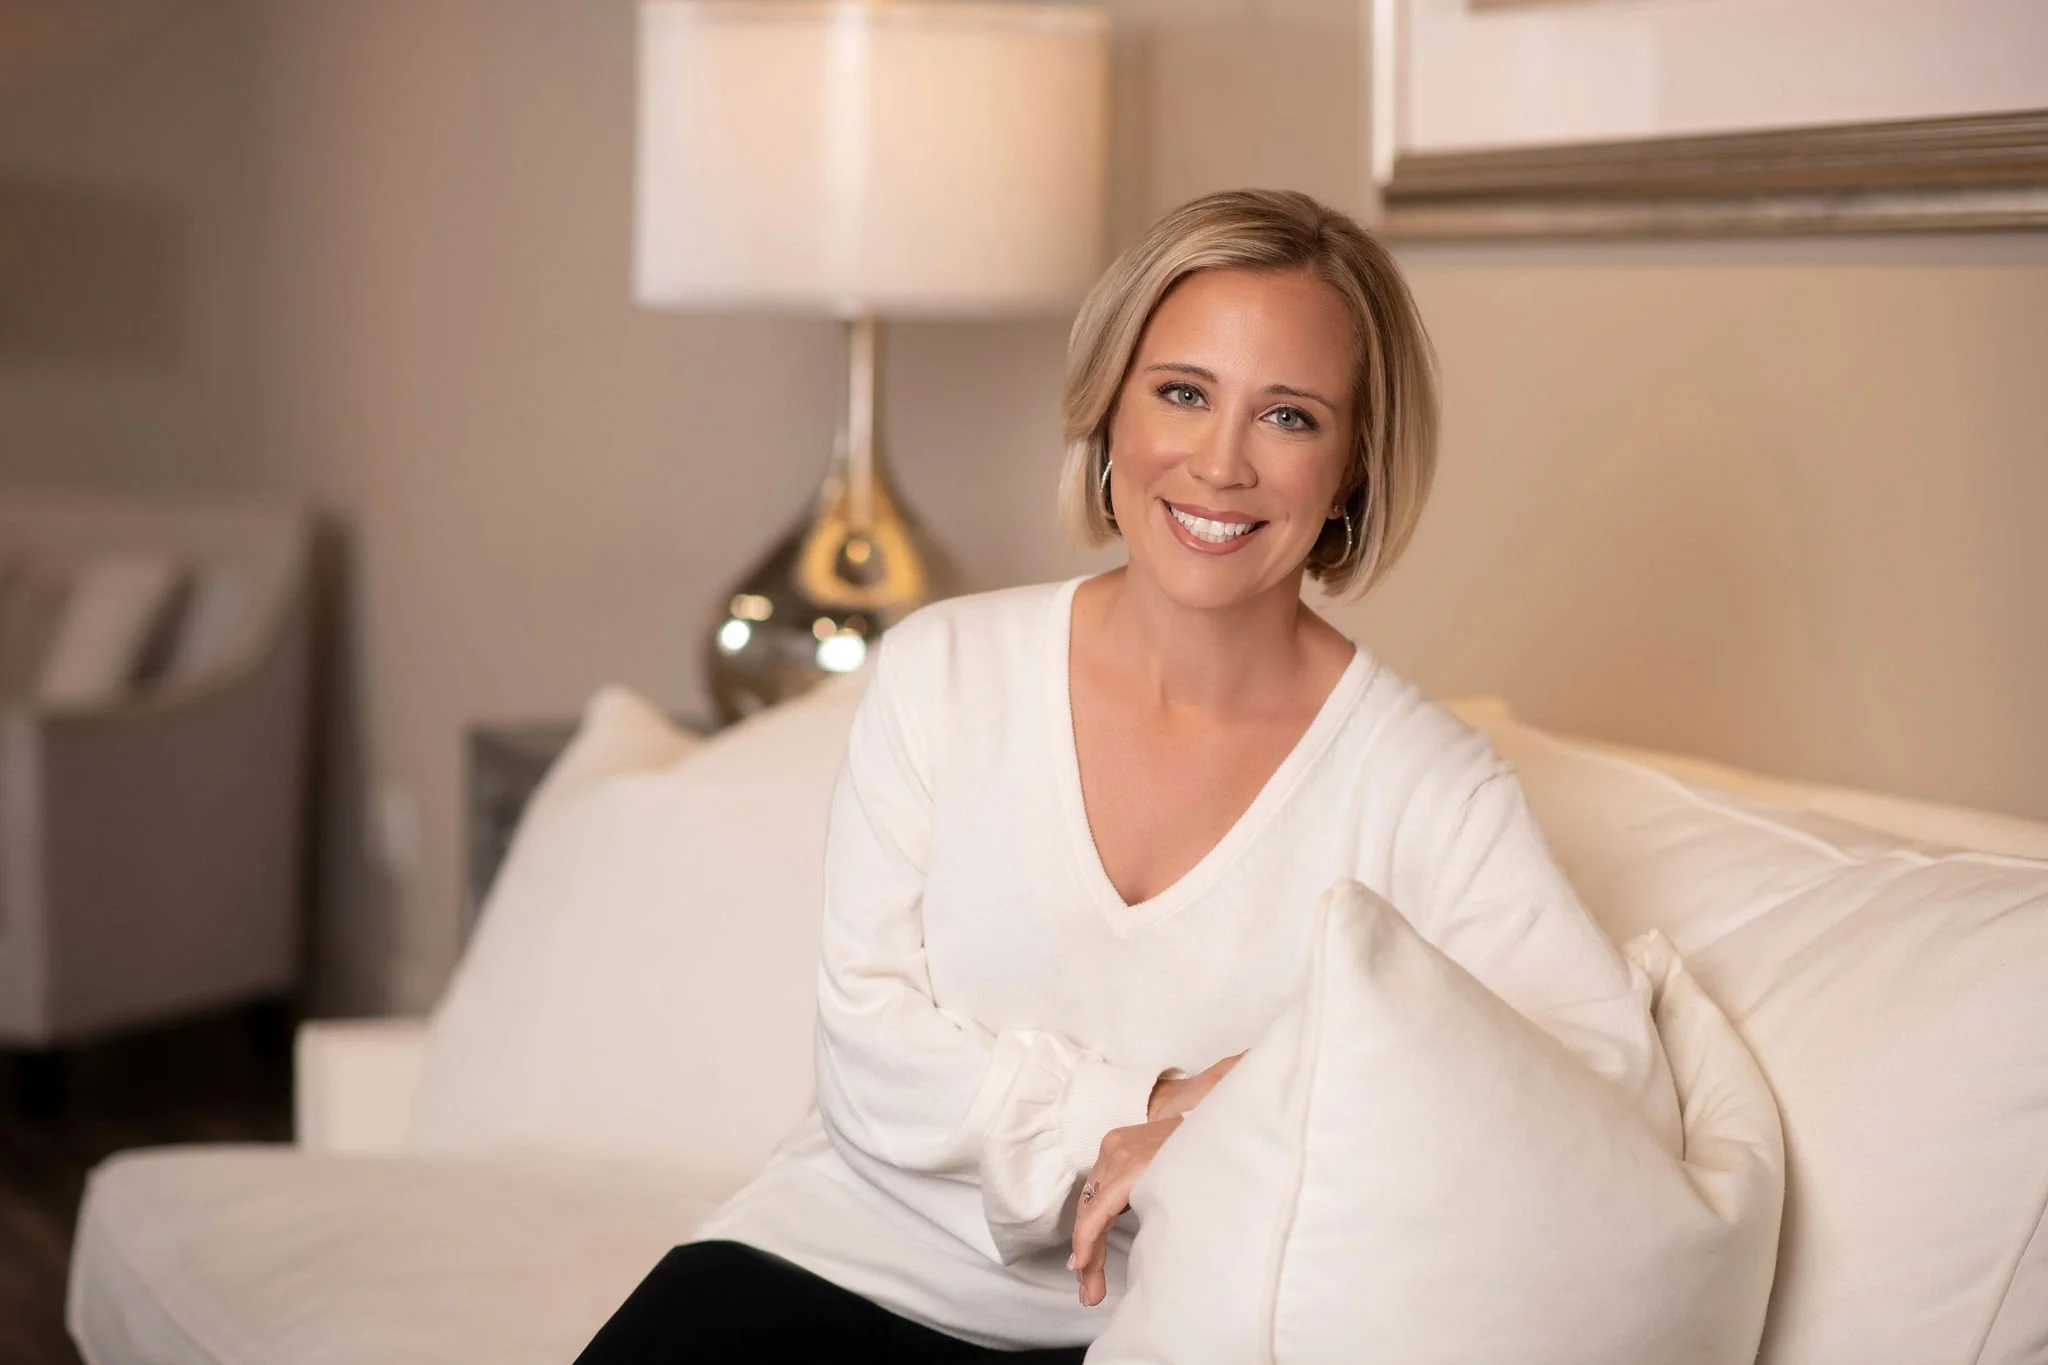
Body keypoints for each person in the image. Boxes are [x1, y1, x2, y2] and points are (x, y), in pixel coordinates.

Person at [576, 189, 1680, 1364]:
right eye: (1182, 393)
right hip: (828, 1261)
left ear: (1353, 464)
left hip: (1165, 1330)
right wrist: (1152, 1110)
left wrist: (1250, 1096)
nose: (1220, 463)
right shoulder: (942, 672)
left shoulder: (1425, 789)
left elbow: (1596, 1089)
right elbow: (869, 1060)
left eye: (1288, 416)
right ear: (1111, 406)